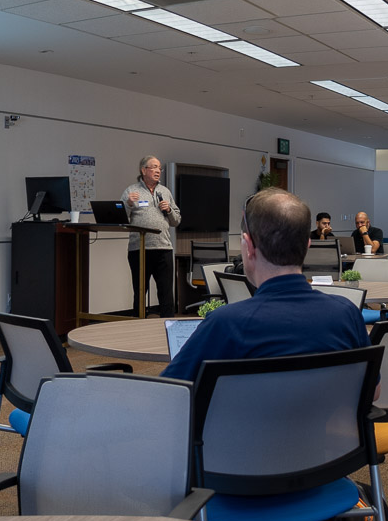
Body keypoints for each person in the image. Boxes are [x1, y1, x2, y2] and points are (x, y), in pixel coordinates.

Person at [161, 188, 368, 382]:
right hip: (328, 421)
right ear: (307, 246)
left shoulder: (226, 324)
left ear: (248, 246)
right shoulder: (347, 314)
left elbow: (169, 391)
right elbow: (372, 391)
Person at [124, 156, 180, 318]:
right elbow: (119, 217)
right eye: (154, 167)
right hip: (139, 250)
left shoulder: (165, 192)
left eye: (159, 168)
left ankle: (168, 326)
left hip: (163, 248)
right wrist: (128, 204)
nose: (158, 171)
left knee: (166, 293)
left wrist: (169, 210)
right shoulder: (131, 191)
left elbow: (176, 221)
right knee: (140, 292)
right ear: (143, 170)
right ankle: (138, 327)